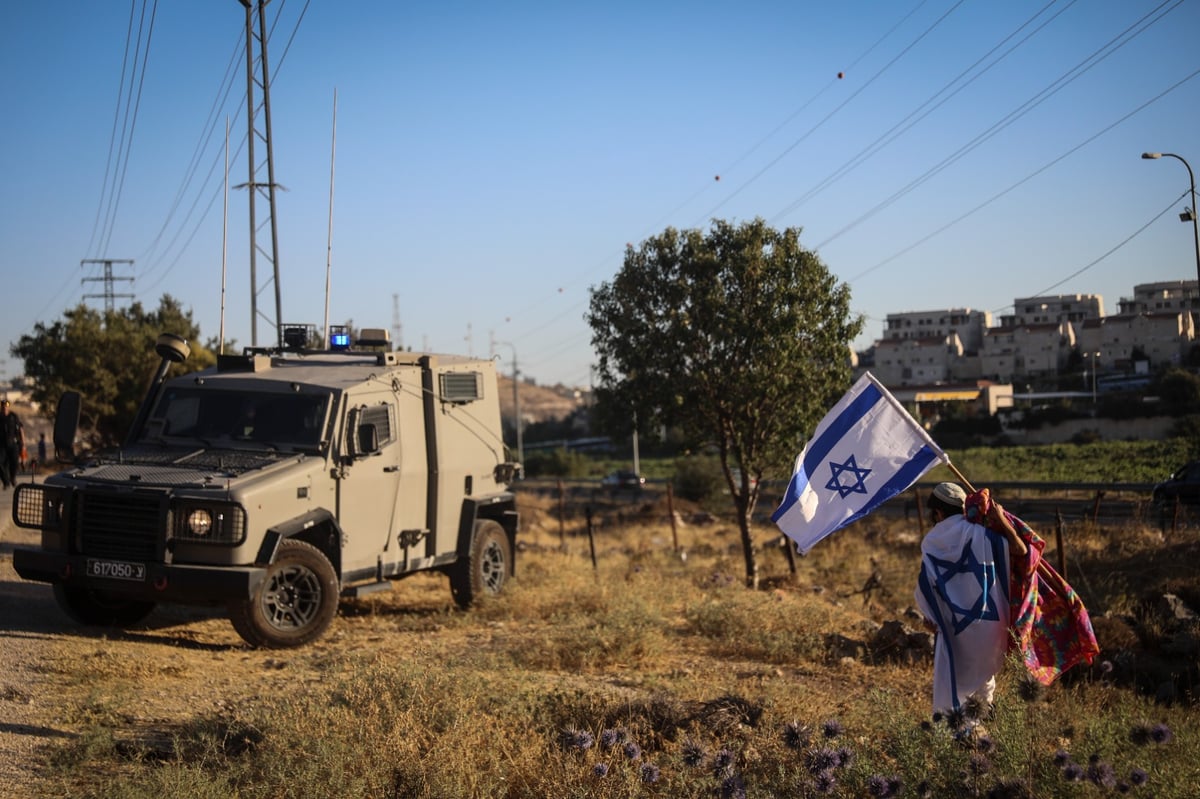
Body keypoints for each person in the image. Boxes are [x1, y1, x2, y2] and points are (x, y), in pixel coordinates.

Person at [914, 481, 1028, 722]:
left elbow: (928, 585)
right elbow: (1020, 551)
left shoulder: (932, 541)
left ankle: (959, 736)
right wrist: (1001, 519)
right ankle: (979, 734)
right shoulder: (984, 534)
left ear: (938, 512)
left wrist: (931, 617)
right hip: (989, 625)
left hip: (954, 626)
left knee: (952, 680)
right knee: (985, 682)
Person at [1, 399, 25, 489]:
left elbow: (21, 430)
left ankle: (12, 478)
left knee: (14, 462)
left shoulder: (13, 416)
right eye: (3, 405)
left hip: (13, 443)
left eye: (6, 405)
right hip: (2, 445)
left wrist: (23, 444)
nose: (4, 407)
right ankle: (5, 481)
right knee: (1, 463)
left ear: (8, 406)